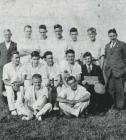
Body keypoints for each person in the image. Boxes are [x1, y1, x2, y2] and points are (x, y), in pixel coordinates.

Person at [104, 28, 126, 110]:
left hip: (119, 71)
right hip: (110, 71)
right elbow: (106, 58)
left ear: (116, 35)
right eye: (110, 36)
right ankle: (112, 105)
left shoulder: (122, 44)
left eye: (113, 36)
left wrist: (123, 67)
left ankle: (120, 106)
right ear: (108, 36)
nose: (112, 37)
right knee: (111, 89)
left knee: (119, 89)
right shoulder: (107, 46)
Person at [3, 51, 24, 116]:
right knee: (9, 89)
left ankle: (19, 107)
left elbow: (23, 80)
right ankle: (12, 109)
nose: (18, 59)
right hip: (10, 84)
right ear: (11, 58)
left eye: (19, 57)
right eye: (16, 58)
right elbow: (5, 81)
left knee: (21, 89)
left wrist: (18, 84)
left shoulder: (22, 66)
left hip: (19, 84)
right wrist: (12, 85)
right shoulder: (6, 66)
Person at [0, 29, 17, 99]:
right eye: (6, 35)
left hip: (11, 66)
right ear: (4, 35)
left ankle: (11, 98)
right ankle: (2, 99)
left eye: (9, 34)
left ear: (11, 35)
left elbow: (16, 56)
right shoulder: (0, 45)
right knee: (2, 82)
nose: (7, 36)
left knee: (11, 81)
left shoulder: (14, 44)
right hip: (2, 66)